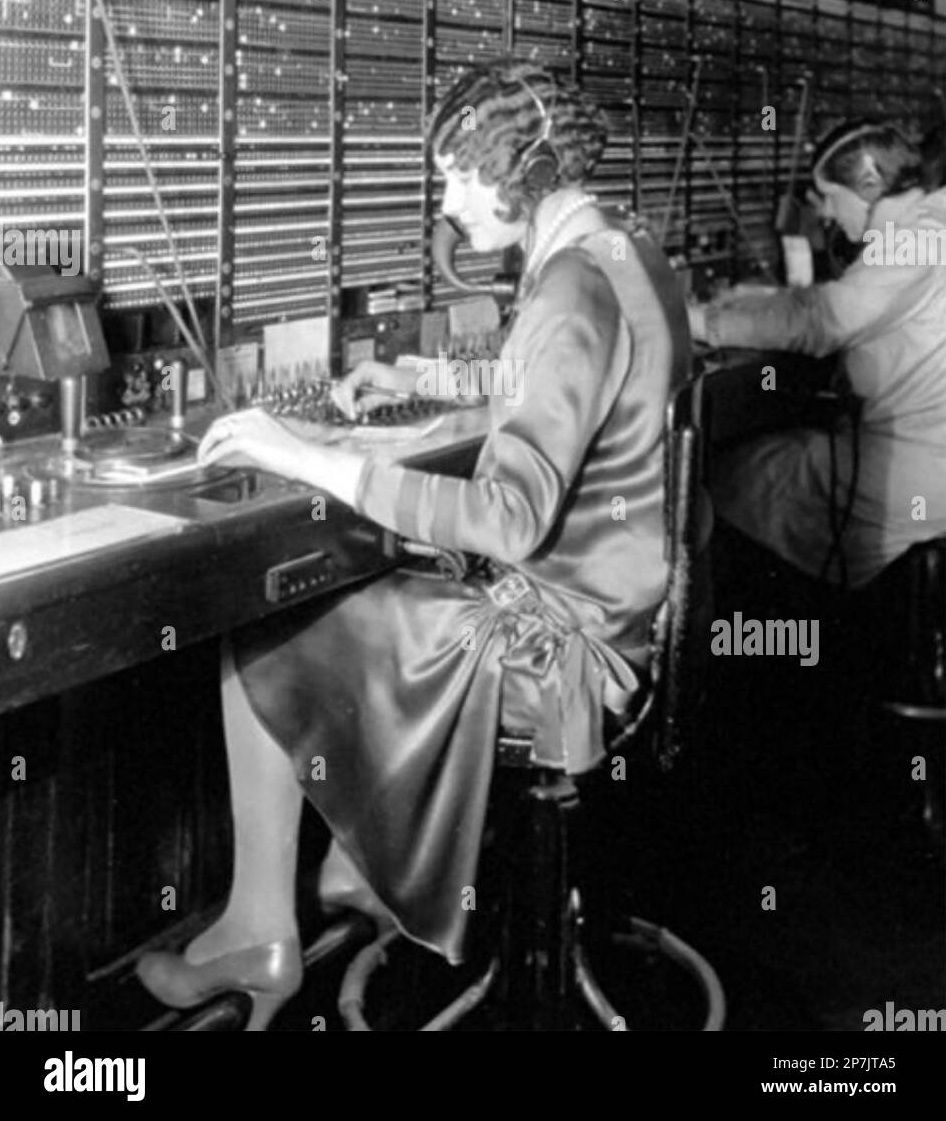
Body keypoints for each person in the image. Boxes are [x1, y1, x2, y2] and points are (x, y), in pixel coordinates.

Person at [136, 62, 693, 1028]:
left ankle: (258, 933)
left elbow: (511, 519)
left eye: (460, 178)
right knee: (381, 586)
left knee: (264, 630)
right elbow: (563, 386)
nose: (447, 204)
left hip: (559, 652)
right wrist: (422, 377)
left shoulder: (568, 290)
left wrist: (308, 457)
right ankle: (365, 866)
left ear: (522, 171)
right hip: (621, 613)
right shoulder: (621, 248)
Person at [689, 119, 946, 590]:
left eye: (830, 196)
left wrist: (702, 321)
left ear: (869, 183)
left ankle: (753, 626)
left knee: (723, 475)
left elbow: (820, 321)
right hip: (928, 455)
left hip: (916, 471)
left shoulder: (916, 241)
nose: (826, 213)